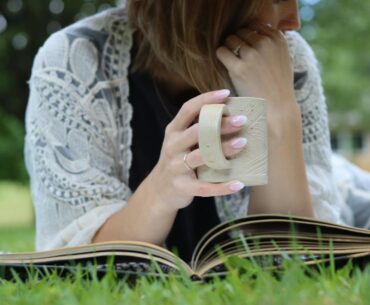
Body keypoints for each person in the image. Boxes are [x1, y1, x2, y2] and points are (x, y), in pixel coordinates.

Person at [25, 0, 356, 263]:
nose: (294, 21)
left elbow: (296, 253)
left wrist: (281, 112)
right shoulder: (75, 62)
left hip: (351, 197)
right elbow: (76, 260)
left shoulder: (285, 56)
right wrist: (162, 190)